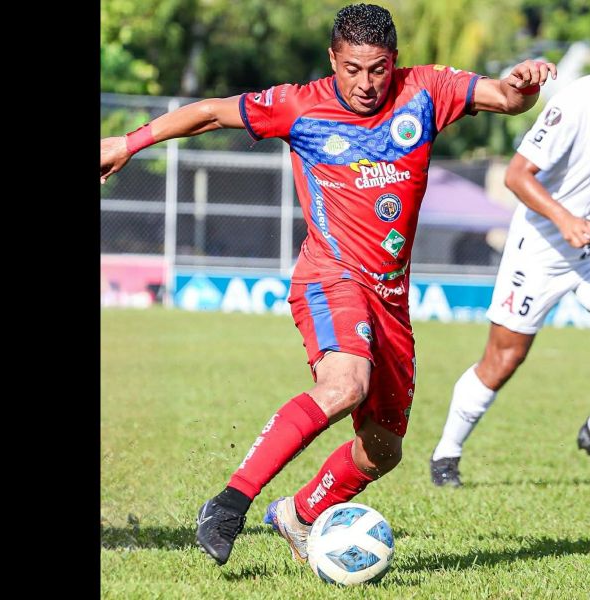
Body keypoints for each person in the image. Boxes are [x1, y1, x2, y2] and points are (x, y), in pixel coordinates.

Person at [101, 3, 555, 567]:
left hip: (391, 300)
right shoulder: (299, 105)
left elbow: (509, 99)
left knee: (381, 451)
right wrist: (128, 141)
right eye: (354, 69)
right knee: (346, 385)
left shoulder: (428, 90)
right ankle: (228, 503)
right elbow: (212, 114)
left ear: (396, 62)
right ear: (333, 60)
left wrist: (525, 81)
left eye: (379, 69)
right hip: (330, 276)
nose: (367, 84)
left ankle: (299, 514)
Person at [430, 6, 590, 487]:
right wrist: (566, 218)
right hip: (541, 246)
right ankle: (446, 455)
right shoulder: (576, 104)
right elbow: (518, 175)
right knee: (504, 360)